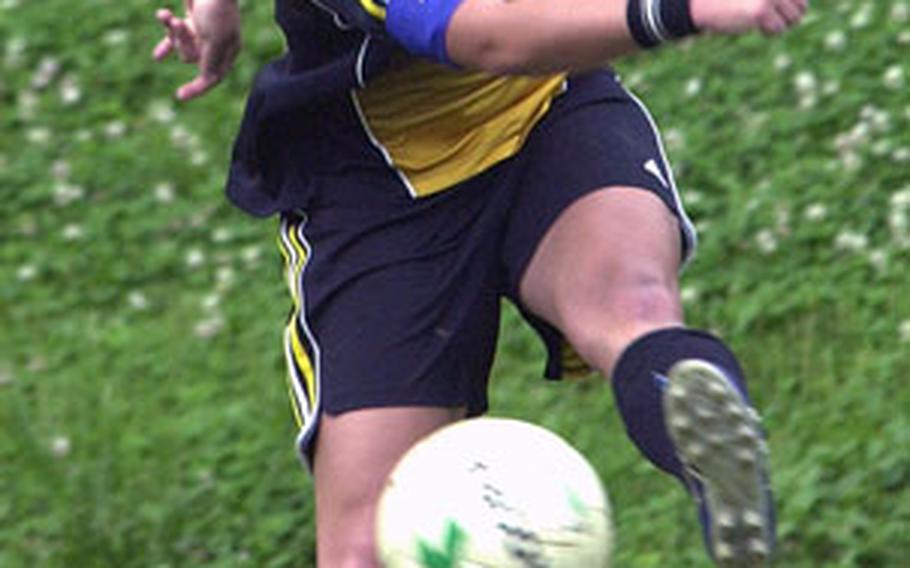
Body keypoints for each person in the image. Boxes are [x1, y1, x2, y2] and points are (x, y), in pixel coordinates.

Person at [153, 0, 807, 565]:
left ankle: (711, 453)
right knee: (363, 549)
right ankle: (687, 408)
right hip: (381, 181)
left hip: (548, 104)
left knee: (633, 309)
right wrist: (682, 10)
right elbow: (486, 33)